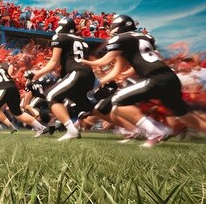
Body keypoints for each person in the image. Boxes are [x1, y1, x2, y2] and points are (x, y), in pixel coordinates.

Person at [82, 15, 206, 147]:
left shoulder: (121, 38)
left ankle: (155, 132)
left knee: (117, 100)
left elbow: (104, 61)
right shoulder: (141, 38)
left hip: (155, 78)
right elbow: (119, 69)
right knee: (185, 115)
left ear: (116, 28)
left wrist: (84, 61)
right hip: (170, 78)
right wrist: (104, 80)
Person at [31, 17, 96, 140]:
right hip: (88, 75)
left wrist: (38, 73)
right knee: (87, 106)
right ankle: (134, 127)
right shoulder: (82, 40)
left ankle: (71, 130)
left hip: (76, 73)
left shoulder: (60, 37)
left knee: (51, 96)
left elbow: (54, 62)